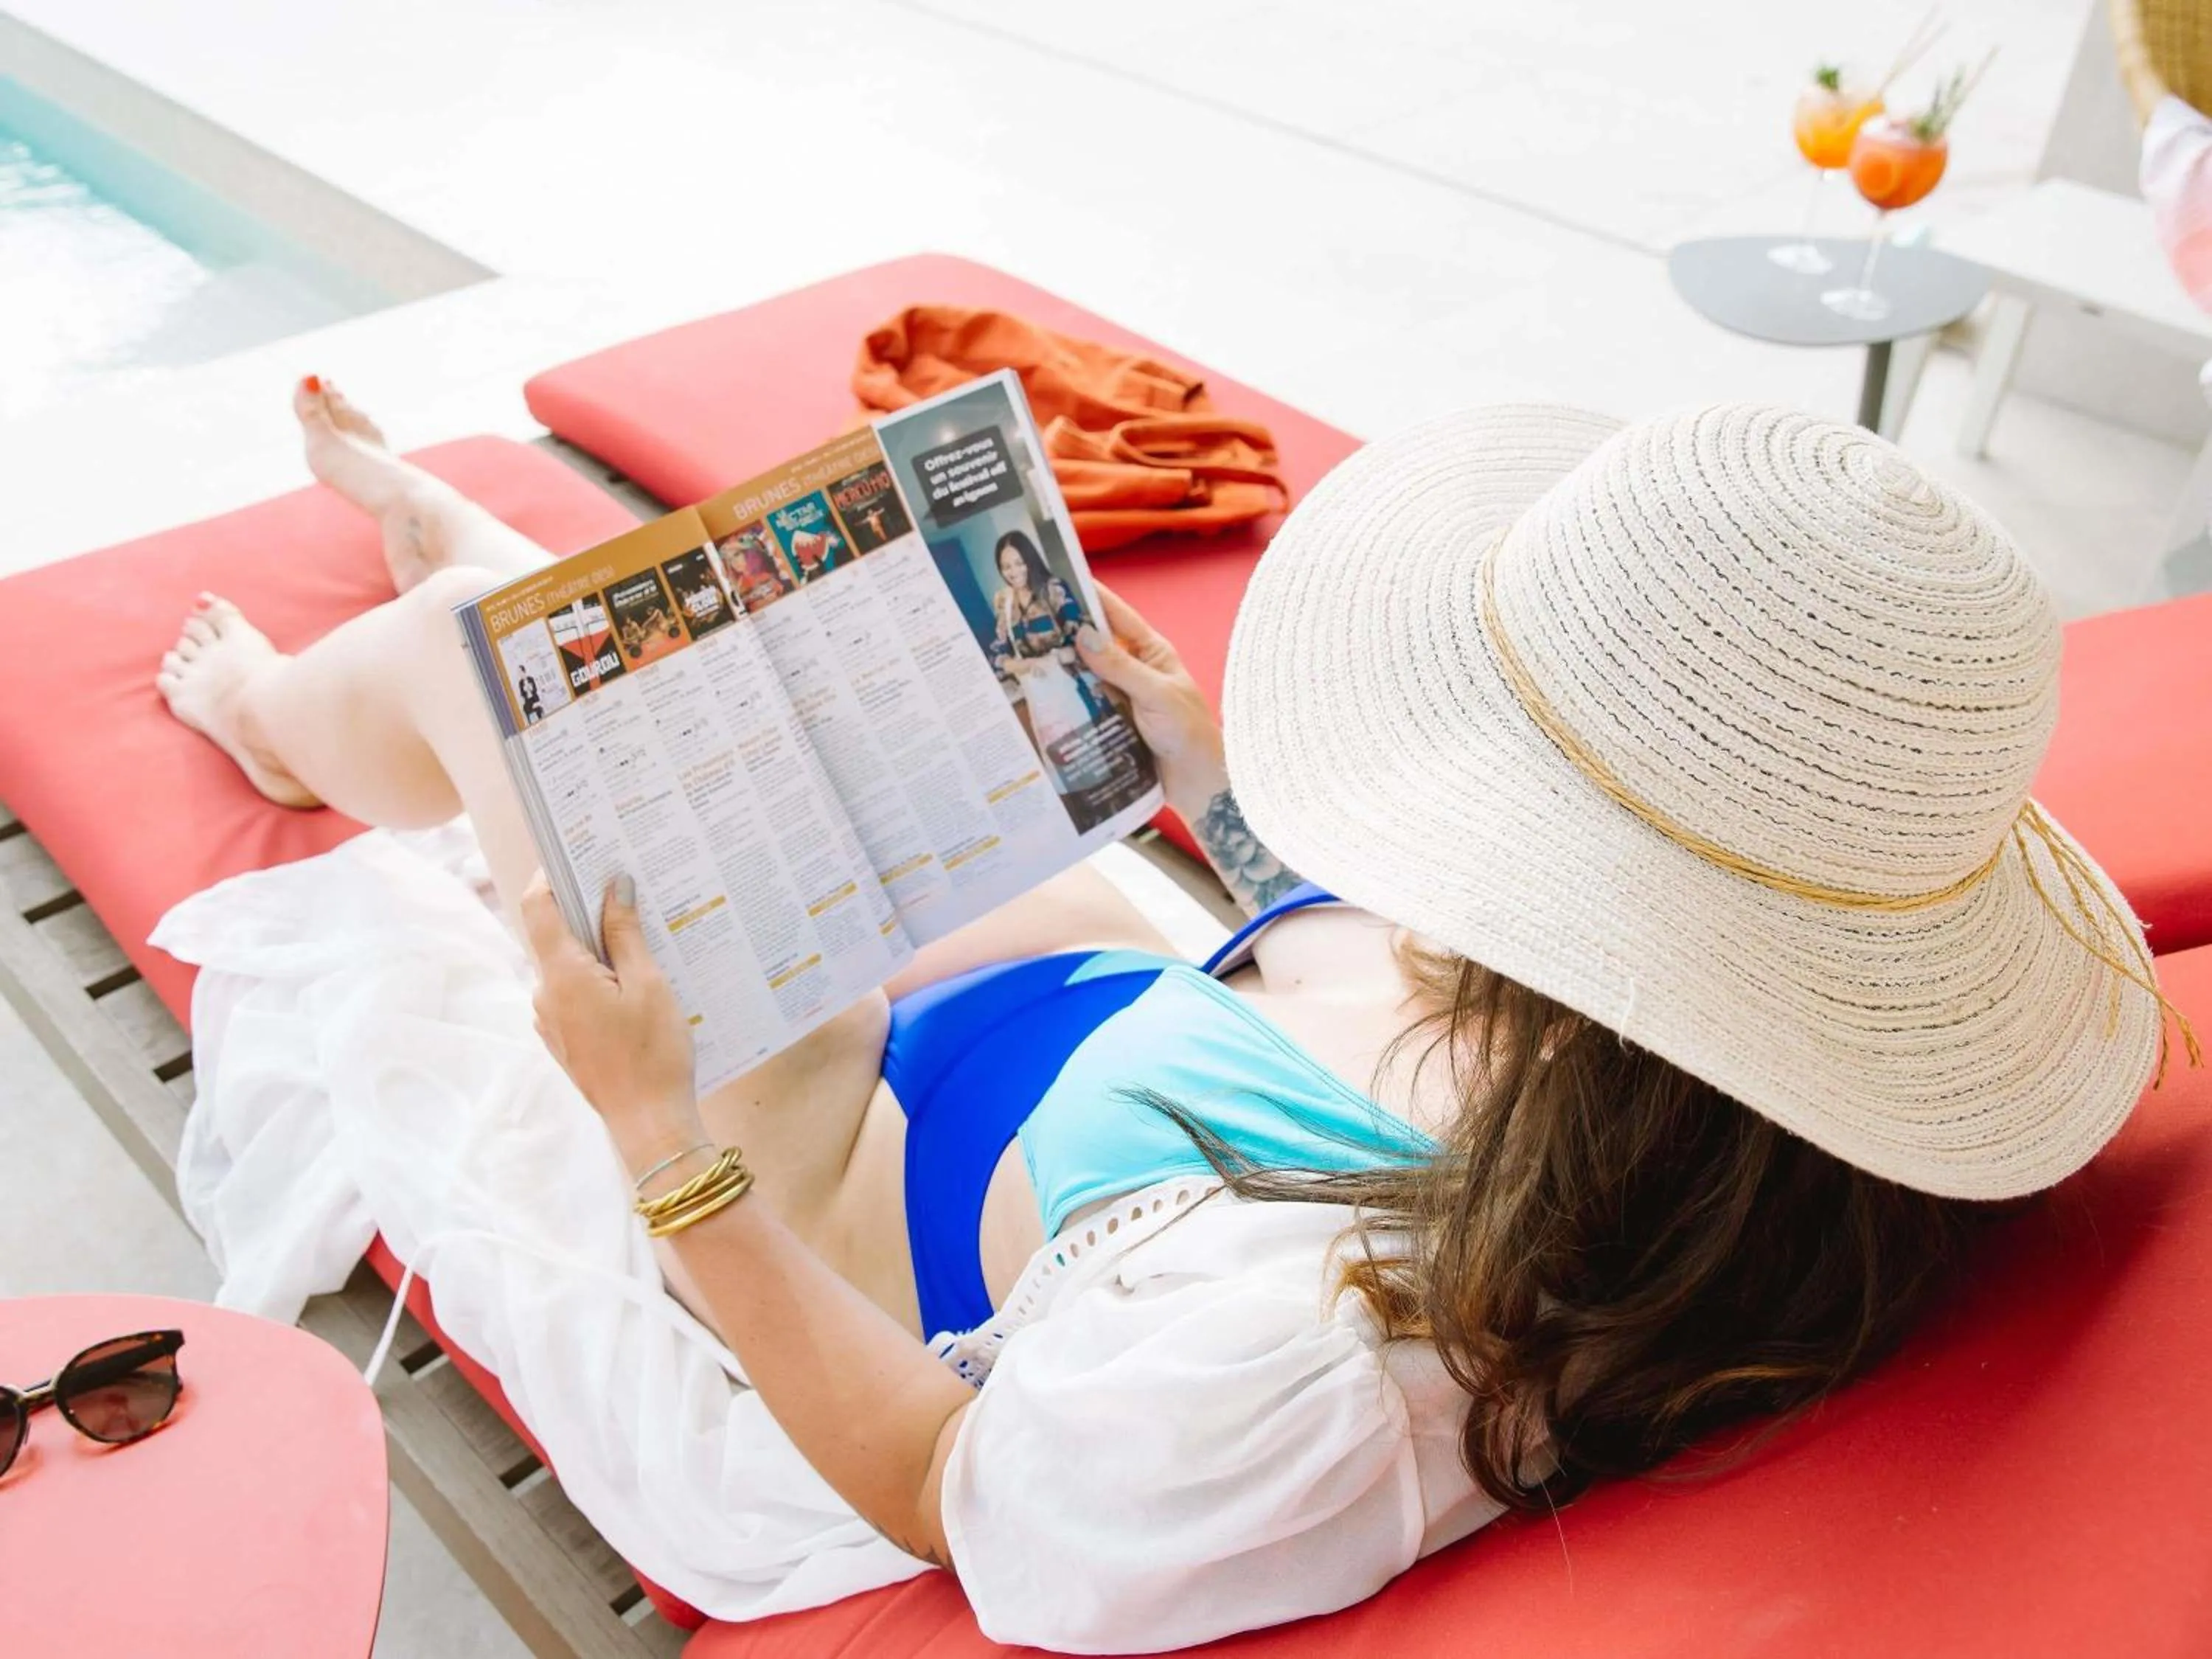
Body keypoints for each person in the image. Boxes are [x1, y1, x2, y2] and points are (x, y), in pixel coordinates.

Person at [155, 380, 2184, 1654]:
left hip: (849, 1157)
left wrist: (655, 1145)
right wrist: (1223, 811)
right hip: (1116, 1017)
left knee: (481, 679)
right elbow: (1388, 1010)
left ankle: (270, 702)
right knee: (731, 692)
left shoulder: (1301, 1379)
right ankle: (493, 551)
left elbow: (957, 1484)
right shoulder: (1726, 1114)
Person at [986, 529, 1116, 795]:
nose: (1013, 572)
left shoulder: (1053, 589)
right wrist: (1014, 665)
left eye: (1019, 563)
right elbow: (996, 654)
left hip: (1074, 687)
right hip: (1040, 696)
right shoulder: (1003, 602)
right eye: (1006, 566)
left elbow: (1081, 637)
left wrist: (1059, 656)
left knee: (1099, 766)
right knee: (1066, 772)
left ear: (1030, 560)